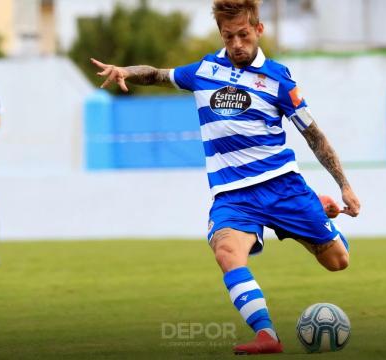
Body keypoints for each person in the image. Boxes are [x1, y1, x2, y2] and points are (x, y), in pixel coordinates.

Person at [91, 0, 361, 354]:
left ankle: (316, 209)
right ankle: (267, 335)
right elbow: (157, 74)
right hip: (233, 196)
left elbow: (314, 136)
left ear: (258, 30)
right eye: (228, 35)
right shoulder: (204, 70)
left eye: (244, 35)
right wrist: (127, 71)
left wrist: (344, 185)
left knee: (337, 262)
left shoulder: (279, 79)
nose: (236, 44)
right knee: (226, 251)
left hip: (282, 186)